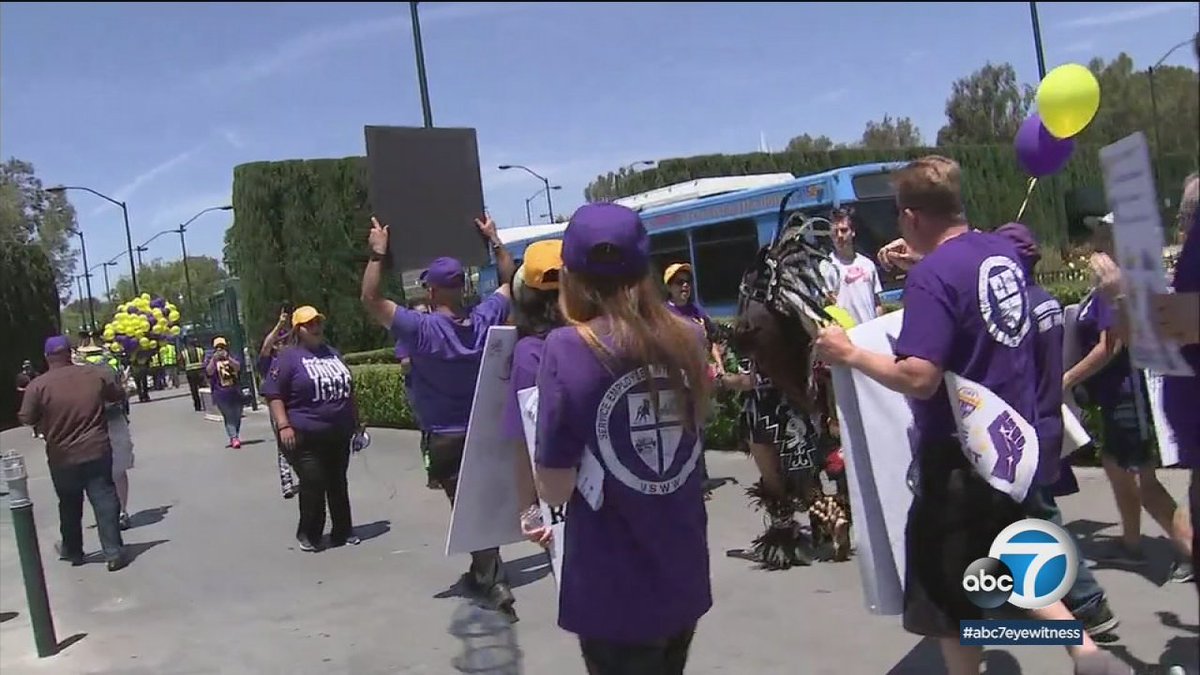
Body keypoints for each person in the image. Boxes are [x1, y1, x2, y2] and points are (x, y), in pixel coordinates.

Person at [814, 156, 1128, 675]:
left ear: (911, 215)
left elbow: (920, 376)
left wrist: (848, 353)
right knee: (1007, 561)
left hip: (956, 458)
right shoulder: (999, 253)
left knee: (949, 601)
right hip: (1008, 444)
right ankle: (1086, 652)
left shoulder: (932, 277)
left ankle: (1080, 654)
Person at [533, 203, 712, 674]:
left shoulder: (566, 349)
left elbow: (554, 487)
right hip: (683, 571)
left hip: (613, 588)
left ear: (569, 277)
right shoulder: (690, 337)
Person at [361, 213, 518, 617]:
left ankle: (492, 581)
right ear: (461, 287)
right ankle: (485, 571)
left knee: (469, 509)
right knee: (480, 504)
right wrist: (495, 240)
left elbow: (371, 299)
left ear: (431, 291)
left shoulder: (422, 330)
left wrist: (378, 255)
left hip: (446, 436)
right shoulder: (484, 318)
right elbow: (510, 282)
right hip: (485, 429)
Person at [995, 222, 1121, 636]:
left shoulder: (1015, 311)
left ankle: (1088, 602)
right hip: (1046, 418)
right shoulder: (1046, 301)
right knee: (1018, 513)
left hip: (1023, 425)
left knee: (1040, 515)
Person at [1066, 220, 1193, 582]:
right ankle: (1131, 543)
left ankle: (1189, 549)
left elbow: (1110, 346)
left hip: (1127, 397)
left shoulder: (1119, 289)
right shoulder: (1113, 286)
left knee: (1145, 484)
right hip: (1118, 396)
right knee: (1115, 467)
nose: (1096, 242)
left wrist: (1067, 379)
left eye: (1104, 236)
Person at [723, 222, 852, 568]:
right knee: (807, 481)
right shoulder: (794, 325)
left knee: (776, 483)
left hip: (764, 412)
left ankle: (786, 540)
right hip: (797, 409)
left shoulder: (755, 325)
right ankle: (834, 517)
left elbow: (750, 379)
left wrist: (723, 380)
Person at [18, 336, 128, 571]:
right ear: (70, 353)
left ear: (47, 357)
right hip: (96, 448)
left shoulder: (38, 385)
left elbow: (26, 417)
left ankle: (73, 551)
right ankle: (113, 552)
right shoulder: (94, 375)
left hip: (62, 455)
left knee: (69, 503)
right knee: (104, 497)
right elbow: (116, 394)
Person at [262, 306, 361, 552]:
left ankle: (343, 531)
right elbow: (273, 394)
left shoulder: (332, 354)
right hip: (303, 433)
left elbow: (349, 390)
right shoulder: (288, 357)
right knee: (313, 480)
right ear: (298, 330)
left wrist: (357, 422)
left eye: (317, 322)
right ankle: (309, 532)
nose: (315, 327)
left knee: (338, 482)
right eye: (309, 324)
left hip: (338, 431)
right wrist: (283, 425)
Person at [500, 240, 565, 546]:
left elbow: (526, 438)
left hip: (565, 494)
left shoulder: (530, 353)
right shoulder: (600, 334)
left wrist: (528, 510)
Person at [819, 207, 885, 325]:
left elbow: (877, 303)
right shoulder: (826, 267)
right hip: (848, 332)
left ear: (853, 232)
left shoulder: (867, 264)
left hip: (872, 330)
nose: (839, 235)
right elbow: (826, 307)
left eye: (844, 230)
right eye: (835, 231)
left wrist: (881, 325)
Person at [260, 311, 297, 500]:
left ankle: (305, 473)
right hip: (279, 408)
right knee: (284, 445)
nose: (284, 344)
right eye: (280, 342)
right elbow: (266, 346)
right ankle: (286, 480)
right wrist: (279, 325)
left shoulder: (295, 359)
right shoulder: (269, 362)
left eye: (286, 341)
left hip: (297, 406)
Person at [206, 336, 244, 448]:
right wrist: (214, 360)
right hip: (220, 393)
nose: (220, 350)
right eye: (217, 347)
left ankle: (234, 434)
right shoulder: (210, 358)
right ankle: (234, 437)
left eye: (222, 347)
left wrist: (228, 358)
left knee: (237, 415)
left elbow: (238, 367)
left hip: (235, 391)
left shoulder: (232, 355)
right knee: (228, 415)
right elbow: (209, 371)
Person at [181, 337, 207, 412]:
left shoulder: (184, 352)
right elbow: (204, 359)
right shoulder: (200, 350)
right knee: (203, 388)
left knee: (194, 389)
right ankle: (206, 404)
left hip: (190, 372)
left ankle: (197, 406)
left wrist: (185, 368)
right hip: (200, 371)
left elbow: (181, 363)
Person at [15, 359, 40, 438]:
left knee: (39, 412)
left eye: (29, 366)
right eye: (26, 366)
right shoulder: (20, 376)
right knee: (31, 413)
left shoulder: (36, 375)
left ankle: (40, 430)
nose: (28, 368)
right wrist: (26, 390)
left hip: (36, 396)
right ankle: (34, 430)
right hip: (26, 397)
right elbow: (18, 388)